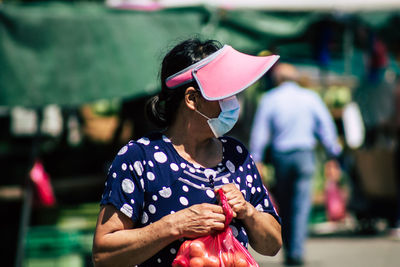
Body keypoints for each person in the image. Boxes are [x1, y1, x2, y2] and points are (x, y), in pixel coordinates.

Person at [92, 38, 282, 267]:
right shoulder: (140, 158)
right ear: (192, 99)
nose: (233, 103)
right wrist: (175, 225)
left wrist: (248, 212)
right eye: (224, 94)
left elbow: (273, 245)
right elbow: (104, 254)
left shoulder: (237, 156)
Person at [249, 63, 342, 266]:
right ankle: (296, 252)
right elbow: (326, 127)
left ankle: (290, 248)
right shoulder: (310, 98)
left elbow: (260, 132)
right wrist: (333, 154)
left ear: (277, 79)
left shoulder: (269, 99)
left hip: (281, 157)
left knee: (284, 203)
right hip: (304, 155)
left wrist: (257, 159)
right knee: (301, 204)